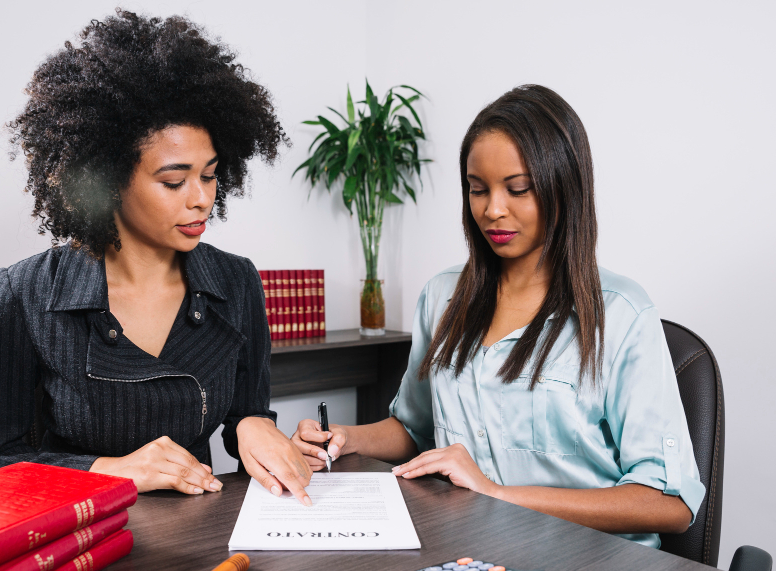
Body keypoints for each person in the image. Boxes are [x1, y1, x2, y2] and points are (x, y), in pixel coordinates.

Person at [293, 85, 705, 546]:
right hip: (473, 554)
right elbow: (414, 429)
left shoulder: (621, 314)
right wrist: (344, 437)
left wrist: (496, 494)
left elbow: (671, 503)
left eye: (518, 189)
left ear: (563, 187)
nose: (492, 210)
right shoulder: (443, 298)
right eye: (477, 189)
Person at [0, 11, 315, 505]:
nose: (201, 199)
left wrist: (252, 425)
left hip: (202, 535)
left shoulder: (235, 281)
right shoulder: (29, 291)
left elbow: (243, 414)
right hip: (83, 538)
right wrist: (111, 471)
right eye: (173, 181)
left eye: (209, 176)